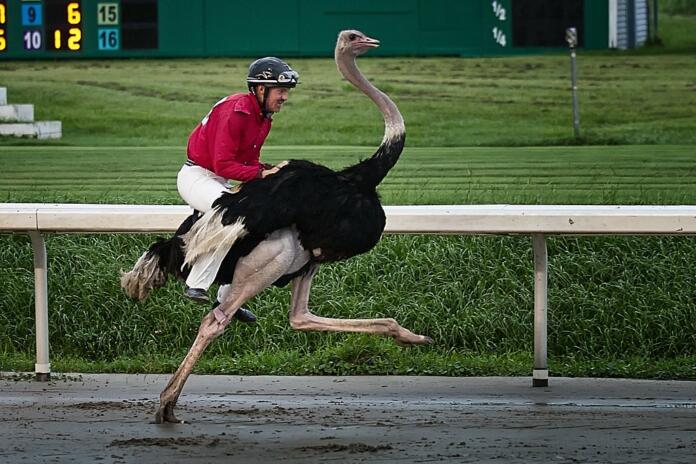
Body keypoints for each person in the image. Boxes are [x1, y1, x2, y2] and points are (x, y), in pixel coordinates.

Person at [176, 57, 299, 321]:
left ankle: (227, 299)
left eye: (286, 91)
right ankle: (196, 283)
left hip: (220, 180)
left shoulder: (262, 118)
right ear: (260, 89)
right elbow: (222, 164)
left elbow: (248, 163)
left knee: (255, 226)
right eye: (281, 90)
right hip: (197, 177)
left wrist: (267, 171)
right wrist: (260, 173)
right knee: (231, 212)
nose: (285, 97)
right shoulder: (237, 110)